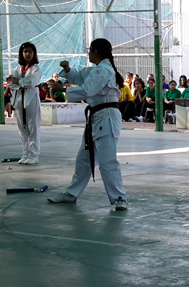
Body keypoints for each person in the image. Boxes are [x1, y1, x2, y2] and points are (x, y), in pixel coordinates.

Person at [47, 38, 128, 210]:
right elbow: (79, 76)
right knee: (84, 158)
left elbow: (88, 90)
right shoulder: (96, 70)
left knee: (107, 161)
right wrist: (67, 70)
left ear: (95, 51)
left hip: (106, 116)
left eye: (90, 50)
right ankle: (72, 193)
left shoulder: (104, 70)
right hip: (96, 116)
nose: (88, 53)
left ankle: (119, 197)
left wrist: (63, 90)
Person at [7, 42, 43, 164]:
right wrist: (20, 83)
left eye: (30, 51)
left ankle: (34, 154)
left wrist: (18, 82)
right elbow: (12, 84)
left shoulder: (36, 68)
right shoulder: (18, 68)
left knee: (33, 127)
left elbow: (32, 83)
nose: (27, 54)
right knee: (22, 127)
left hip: (31, 98)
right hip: (19, 98)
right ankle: (26, 153)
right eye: (25, 51)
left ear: (34, 53)